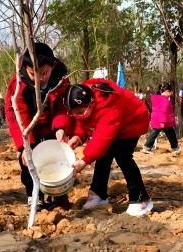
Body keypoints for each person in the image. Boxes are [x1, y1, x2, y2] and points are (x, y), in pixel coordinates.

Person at [63, 80, 153, 216]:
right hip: (116, 122)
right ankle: (98, 194)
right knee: (103, 156)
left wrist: (84, 160)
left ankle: (141, 199)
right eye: (73, 113)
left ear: (92, 102)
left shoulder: (109, 106)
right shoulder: (81, 96)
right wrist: (78, 136)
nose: (77, 116)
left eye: (80, 112)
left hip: (132, 122)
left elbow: (102, 137)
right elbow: (83, 120)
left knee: (123, 157)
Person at [4, 42, 72, 208]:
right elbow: (17, 116)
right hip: (28, 127)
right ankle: (34, 195)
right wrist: (25, 145)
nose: (40, 78)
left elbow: (63, 108)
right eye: (33, 74)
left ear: (53, 65)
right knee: (29, 160)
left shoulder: (61, 80)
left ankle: (59, 195)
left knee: (58, 156)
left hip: (51, 125)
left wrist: (60, 128)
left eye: (44, 73)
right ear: (25, 69)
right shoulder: (17, 84)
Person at [142, 83, 180, 153]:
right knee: (170, 134)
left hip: (157, 120)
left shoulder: (156, 98)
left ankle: (147, 147)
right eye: (171, 92)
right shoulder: (165, 100)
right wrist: (163, 122)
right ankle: (175, 148)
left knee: (155, 133)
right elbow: (163, 112)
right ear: (167, 91)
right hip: (164, 122)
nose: (171, 93)